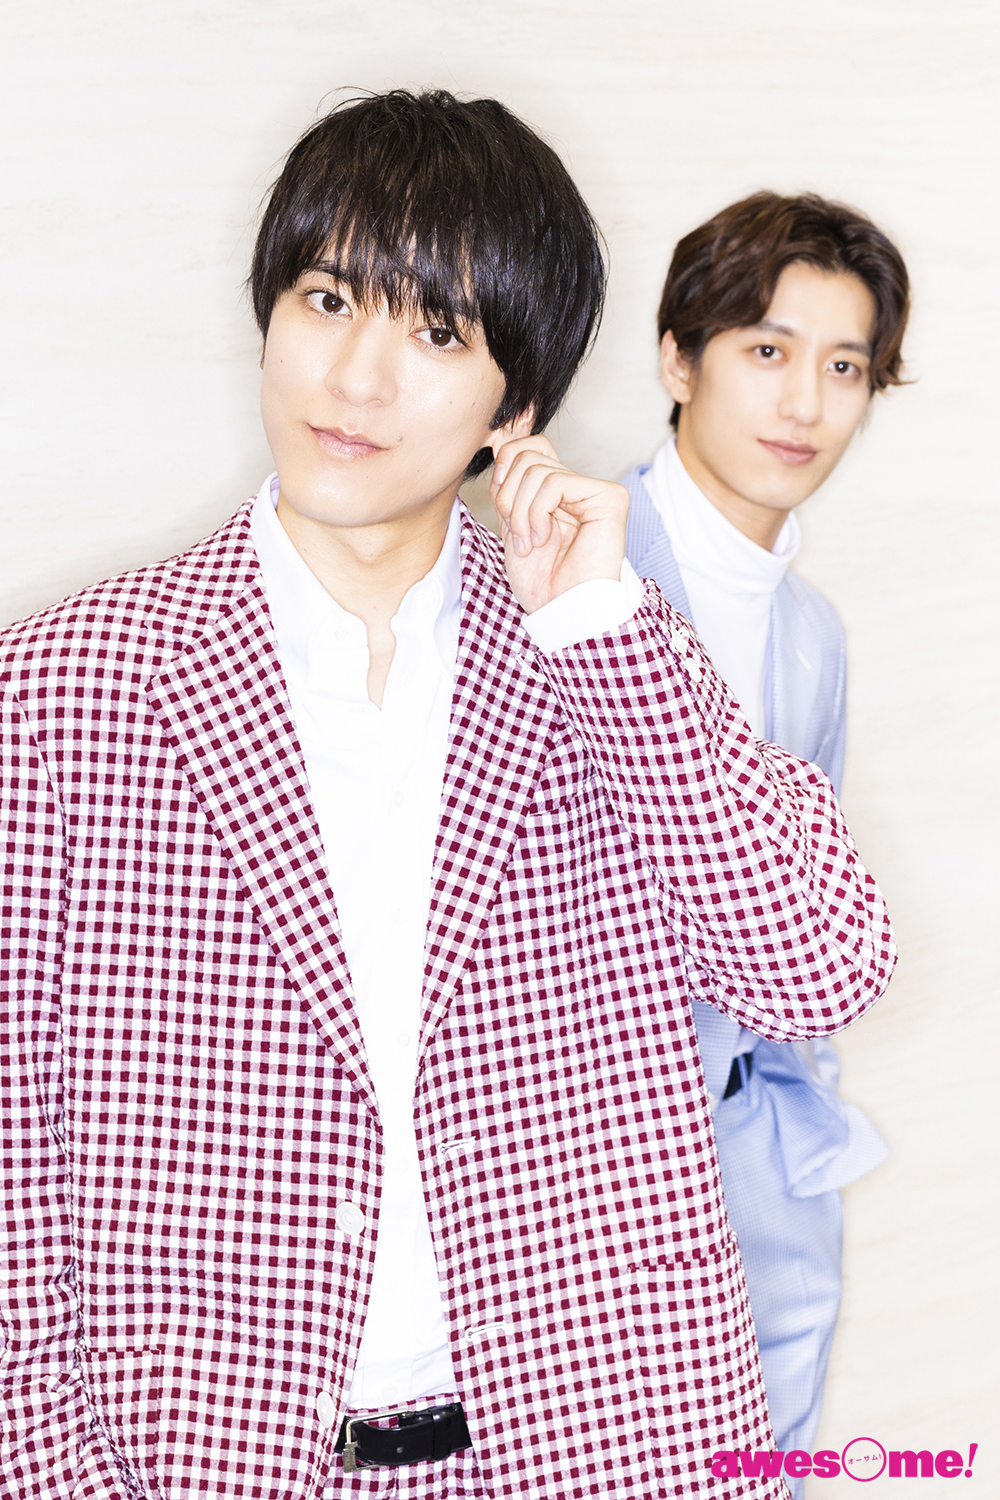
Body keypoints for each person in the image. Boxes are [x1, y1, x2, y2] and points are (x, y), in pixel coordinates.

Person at [0, 95, 894, 1500]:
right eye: (326, 299)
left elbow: (819, 970)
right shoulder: (70, 684)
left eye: (434, 333)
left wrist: (603, 639)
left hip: (602, 1444)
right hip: (208, 1458)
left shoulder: (604, 656)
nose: (355, 379)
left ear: (515, 406)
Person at [620, 191, 910, 1480]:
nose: (803, 404)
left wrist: (800, 1154)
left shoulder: (813, 635)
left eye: (843, 368)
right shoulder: (564, 565)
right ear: (679, 361)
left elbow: (810, 910)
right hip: (587, 1164)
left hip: (758, 1151)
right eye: (767, 350)